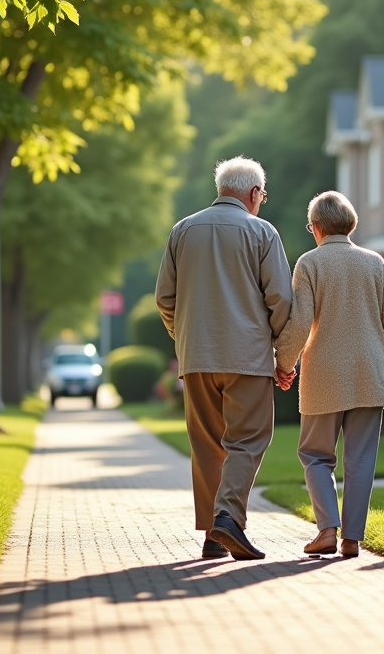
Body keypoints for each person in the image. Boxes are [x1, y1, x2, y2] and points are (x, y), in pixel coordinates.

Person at [155, 156, 293, 560]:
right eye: (262, 196)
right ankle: (229, 519)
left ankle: (214, 537)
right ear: (253, 193)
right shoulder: (262, 232)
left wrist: (186, 338)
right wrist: (282, 355)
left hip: (196, 357)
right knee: (247, 440)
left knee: (207, 445)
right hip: (247, 357)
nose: (262, 202)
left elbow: (165, 298)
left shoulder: (183, 230)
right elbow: (281, 299)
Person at [274, 191, 384, 558]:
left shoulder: (310, 263)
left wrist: (284, 363)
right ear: (351, 223)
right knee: (361, 460)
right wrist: (376, 355)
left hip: (324, 374)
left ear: (315, 227)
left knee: (315, 455)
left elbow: (299, 325)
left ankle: (327, 530)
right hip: (369, 374)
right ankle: (352, 539)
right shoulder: (375, 262)